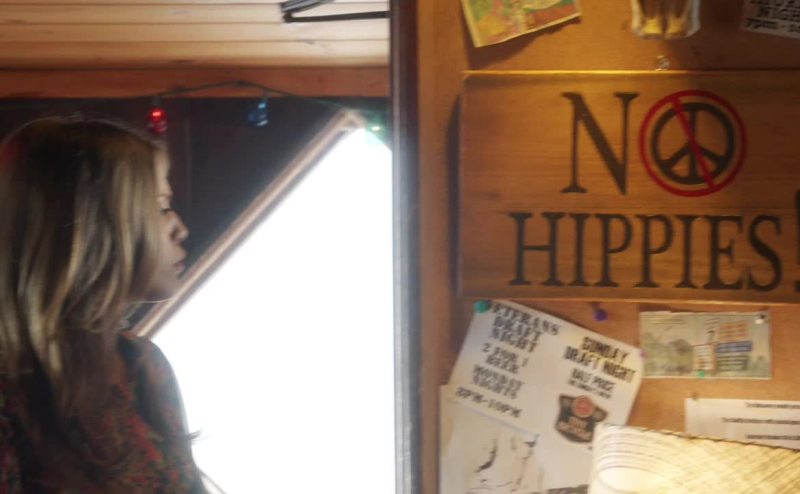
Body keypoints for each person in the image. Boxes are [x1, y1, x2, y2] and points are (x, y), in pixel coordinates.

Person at [0, 117, 205, 492]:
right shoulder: (11, 392)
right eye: (161, 206)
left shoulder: (144, 364)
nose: (180, 228)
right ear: (91, 223)